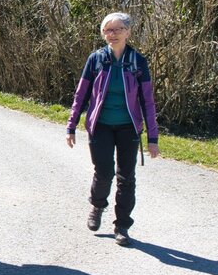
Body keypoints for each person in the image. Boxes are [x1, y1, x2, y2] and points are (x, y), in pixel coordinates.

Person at [65, 12, 160, 247]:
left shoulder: (138, 62)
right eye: (108, 30)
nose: (112, 34)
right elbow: (81, 94)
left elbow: (148, 101)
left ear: (128, 32)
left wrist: (153, 137)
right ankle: (97, 205)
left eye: (117, 29)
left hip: (128, 127)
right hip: (101, 126)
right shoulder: (96, 59)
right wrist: (71, 125)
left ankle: (122, 226)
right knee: (104, 172)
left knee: (126, 178)